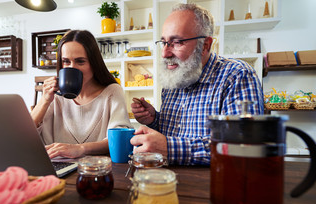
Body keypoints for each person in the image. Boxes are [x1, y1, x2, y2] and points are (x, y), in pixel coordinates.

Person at [130, 3, 264, 165]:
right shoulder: (173, 79)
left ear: (205, 45)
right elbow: (173, 132)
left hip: (214, 184)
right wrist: (154, 120)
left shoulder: (237, 75)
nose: (165, 53)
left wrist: (170, 149)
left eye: (177, 42)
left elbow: (244, 147)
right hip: (167, 180)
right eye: (164, 42)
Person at [31, 30, 132, 159]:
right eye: (66, 61)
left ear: (94, 63)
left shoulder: (112, 92)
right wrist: (44, 101)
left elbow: (118, 140)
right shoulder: (55, 96)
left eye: (80, 61)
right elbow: (25, 135)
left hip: (95, 169)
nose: (72, 68)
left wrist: (80, 149)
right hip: (57, 167)